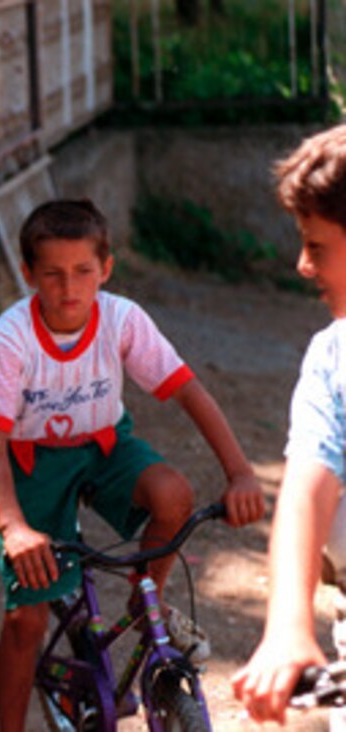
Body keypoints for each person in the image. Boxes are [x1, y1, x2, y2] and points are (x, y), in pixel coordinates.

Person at [0, 199, 265, 732]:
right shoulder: (8, 337)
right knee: (26, 619)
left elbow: (187, 390)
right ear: (28, 274)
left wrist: (241, 472)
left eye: (84, 271)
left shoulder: (121, 318)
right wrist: (13, 525)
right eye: (53, 274)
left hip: (105, 445)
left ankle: (144, 592)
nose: (69, 288)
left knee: (173, 495)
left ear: (105, 269)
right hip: (32, 460)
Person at [232, 124, 346, 727]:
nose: (303, 265)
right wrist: (286, 628)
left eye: (317, 245)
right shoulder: (333, 359)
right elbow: (306, 486)